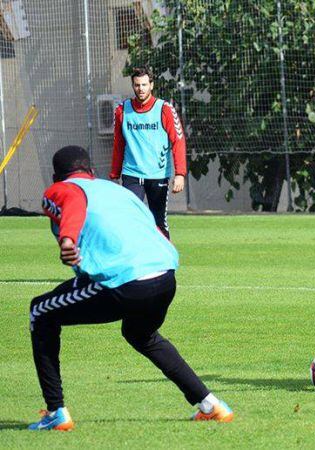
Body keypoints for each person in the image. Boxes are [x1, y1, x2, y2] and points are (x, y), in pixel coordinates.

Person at [28, 146, 232, 431]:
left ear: (55, 177)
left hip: (126, 280)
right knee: (141, 334)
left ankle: (55, 412)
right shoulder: (118, 192)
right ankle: (211, 405)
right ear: (92, 172)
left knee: (40, 311)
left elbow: (73, 202)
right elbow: (152, 227)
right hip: (165, 275)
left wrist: (68, 240)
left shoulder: (62, 189)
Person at [110, 66, 186, 239]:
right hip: (131, 175)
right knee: (129, 218)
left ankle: (166, 262)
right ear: (133, 85)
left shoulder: (164, 109)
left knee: (158, 221)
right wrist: (114, 174)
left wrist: (180, 174)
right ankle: (135, 261)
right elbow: (118, 144)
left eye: (144, 85)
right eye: (137, 85)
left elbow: (178, 141)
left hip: (157, 175)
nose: (141, 89)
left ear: (151, 85)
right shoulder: (122, 110)